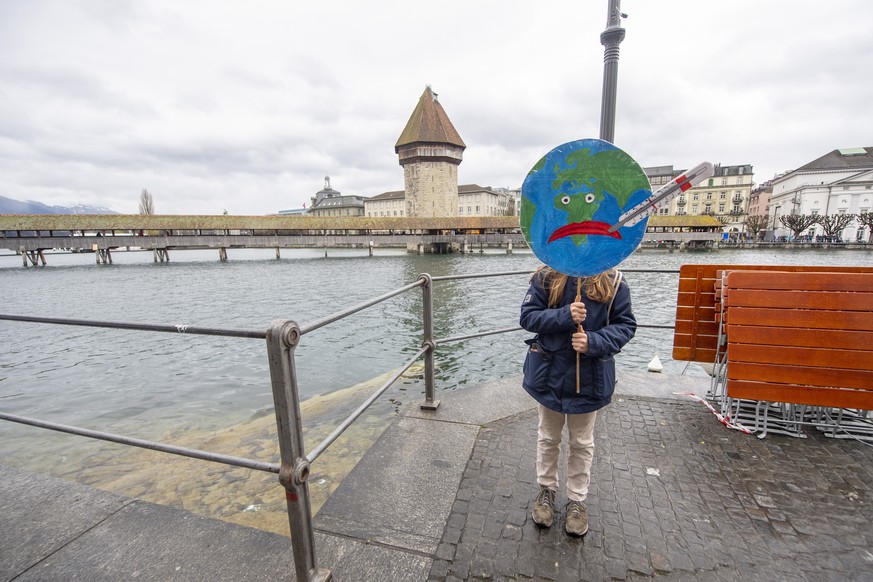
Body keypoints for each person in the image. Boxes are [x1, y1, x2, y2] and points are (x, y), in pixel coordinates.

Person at [519, 265, 636, 536]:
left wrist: (593, 341)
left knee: (582, 442)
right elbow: (527, 317)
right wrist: (564, 315)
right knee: (548, 437)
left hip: (589, 377)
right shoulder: (546, 277)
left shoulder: (614, 281)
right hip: (549, 374)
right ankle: (546, 489)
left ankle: (576, 500)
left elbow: (625, 325)